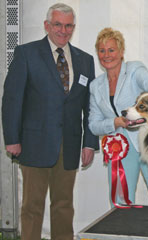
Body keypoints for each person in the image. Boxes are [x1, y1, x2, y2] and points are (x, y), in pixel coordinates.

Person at [1, 3, 99, 240]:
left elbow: (91, 106)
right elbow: (12, 99)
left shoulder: (85, 60)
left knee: (64, 205)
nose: (63, 30)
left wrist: (89, 143)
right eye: (57, 24)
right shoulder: (26, 53)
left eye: (68, 26)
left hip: (70, 145)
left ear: (73, 28)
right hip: (34, 143)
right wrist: (12, 139)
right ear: (47, 25)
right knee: (32, 206)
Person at [89, 27, 148, 207]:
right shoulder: (95, 86)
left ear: (121, 51)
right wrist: (114, 122)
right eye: (102, 51)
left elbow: (147, 79)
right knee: (120, 201)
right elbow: (94, 125)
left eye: (111, 50)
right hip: (119, 148)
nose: (106, 55)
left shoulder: (134, 69)